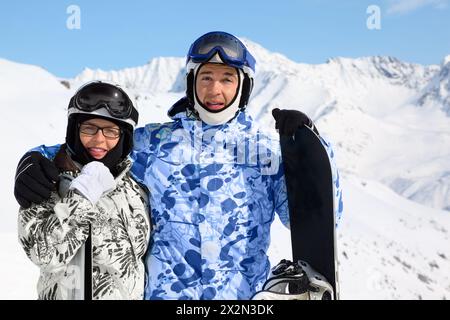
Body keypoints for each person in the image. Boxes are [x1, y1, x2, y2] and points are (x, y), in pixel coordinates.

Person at [14, 31, 342, 300]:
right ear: (191, 81)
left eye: (227, 78)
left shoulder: (265, 152)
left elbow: (314, 220)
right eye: (206, 77)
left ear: (244, 86)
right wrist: (37, 158)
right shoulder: (153, 144)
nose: (215, 89)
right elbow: (98, 146)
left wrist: (312, 153)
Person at [17, 81, 151, 300]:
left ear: (123, 137)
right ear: (74, 130)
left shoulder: (135, 188)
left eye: (110, 131)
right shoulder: (47, 181)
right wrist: (82, 196)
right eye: (89, 128)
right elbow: (43, 254)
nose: (99, 140)